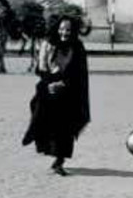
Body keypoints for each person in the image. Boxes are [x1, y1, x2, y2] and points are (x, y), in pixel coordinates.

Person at [22, 14, 91, 175]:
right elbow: (40, 69)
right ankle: (34, 134)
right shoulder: (48, 44)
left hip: (69, 90)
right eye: (61, 29)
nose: (64, 33)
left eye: (68, 29)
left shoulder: (77, 47)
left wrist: (64, 84)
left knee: (65, 128)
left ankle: (59, 161)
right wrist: (50, 83)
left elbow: (80, 73)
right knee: (40, 113)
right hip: (48, 85)